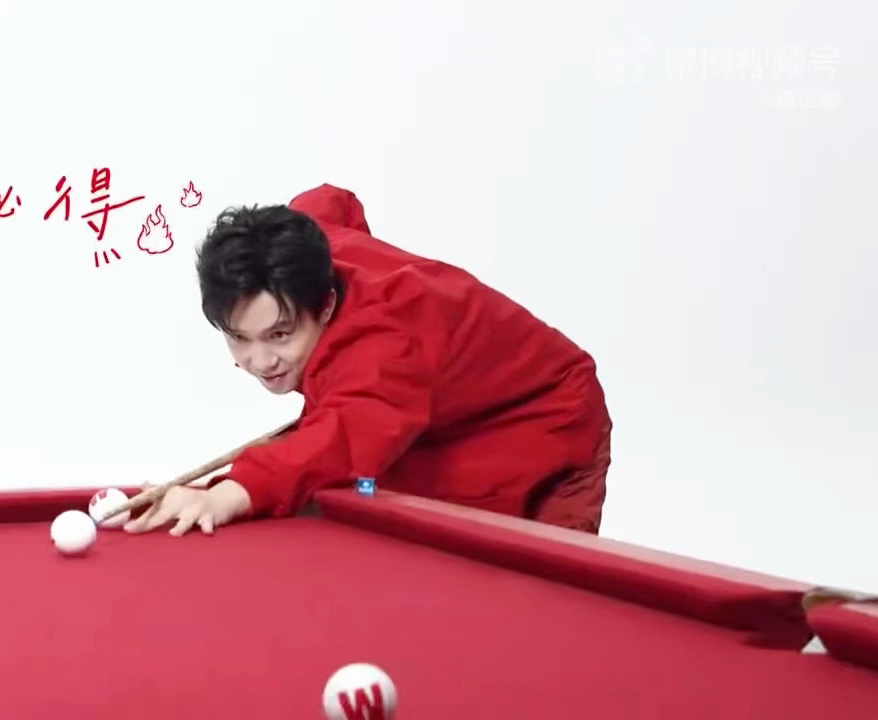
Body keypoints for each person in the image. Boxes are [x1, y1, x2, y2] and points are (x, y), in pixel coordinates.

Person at [123, 183, 613, 538]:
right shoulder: (307, 244)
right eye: (239, 338)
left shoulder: (383, 348)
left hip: (542, 420)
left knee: (504, 601)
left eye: (280, 334)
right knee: (355, 495)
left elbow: (342, 436)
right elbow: (331, 200)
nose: (261, 360)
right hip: (437, 414)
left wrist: (227, 494)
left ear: (327, 305)